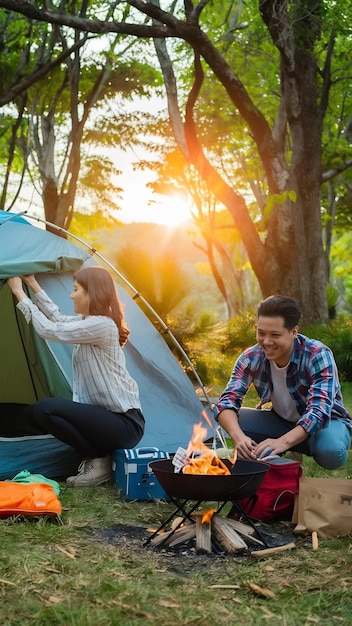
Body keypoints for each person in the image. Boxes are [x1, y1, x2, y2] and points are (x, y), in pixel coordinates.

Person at [7, 266, 145, 487]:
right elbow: (58, 319)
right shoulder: (89, 323)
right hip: (106, 419)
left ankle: (98, 461)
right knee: (33, 413)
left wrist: (18, 292)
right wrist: (32, 284)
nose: (71, 295)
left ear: (92, 293)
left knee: (45, 408)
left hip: (124, 423)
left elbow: (49, 330)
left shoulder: (102, 325)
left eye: (75, 289)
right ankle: (98, 456)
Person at [214, 295, 352, 470]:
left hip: (326, 423)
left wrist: (282, 442)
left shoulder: (317, 355)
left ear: (294, 332)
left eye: (275, 335)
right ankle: (287, 450)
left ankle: (308, 443)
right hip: (281, 421)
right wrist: (238, 438)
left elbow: (318, 411)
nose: (266, 342)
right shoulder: (251, 357)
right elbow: (227, 402)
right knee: (229, 420)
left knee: (331, 452)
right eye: (261, 333)